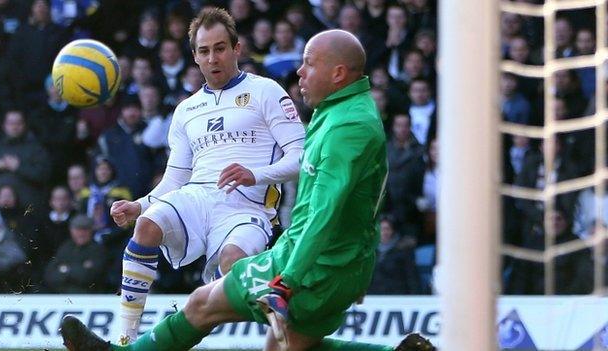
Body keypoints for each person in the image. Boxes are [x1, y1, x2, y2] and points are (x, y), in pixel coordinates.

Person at [61, 29, 434, 351]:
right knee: (284, 345)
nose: (299, 71)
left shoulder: (342, 126)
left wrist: (288, 279)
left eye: (309, 63)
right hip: (332, 263)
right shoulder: (340, 111)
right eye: (203, 51)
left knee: (201, 304)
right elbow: (356, 203)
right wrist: (354, 269)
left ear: (338, 73)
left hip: (306, 262)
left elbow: (325, 211)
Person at [107, 7, 305, 345]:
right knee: (147, 226)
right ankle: (124, 340)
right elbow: (174, 180)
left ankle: (293, 330)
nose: (212, 58)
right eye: (204, 51)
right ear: (195, 57)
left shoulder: (267, 91)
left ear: (237, 49)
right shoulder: (186, 110)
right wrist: (139, 205)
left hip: (248, 210)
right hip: (197, 198)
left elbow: (301, 157)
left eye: (220, 48)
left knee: (234, 265)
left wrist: (255, 174)